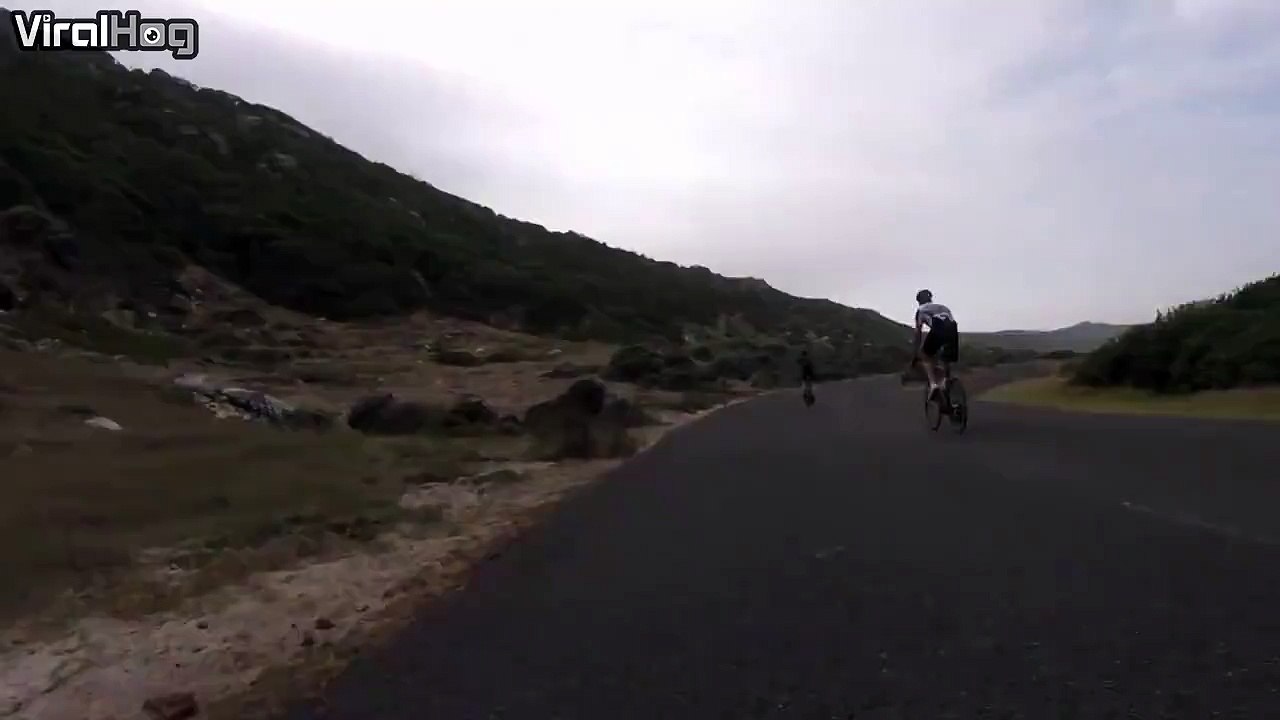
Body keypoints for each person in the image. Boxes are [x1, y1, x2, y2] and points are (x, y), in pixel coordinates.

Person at [911, 289, 959, 400]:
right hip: (953, 329)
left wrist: (915, 353)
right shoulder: (943, 307)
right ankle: (946, 383)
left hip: (938, 328)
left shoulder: (921, 310)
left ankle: (933, 385)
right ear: (930, 299)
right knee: (946, 358)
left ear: (919, 301)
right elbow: (950, 322)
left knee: (925, 355)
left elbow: (918, 332)